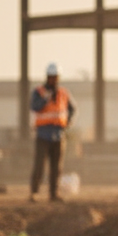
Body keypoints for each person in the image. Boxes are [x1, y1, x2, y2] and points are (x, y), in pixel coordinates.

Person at [29, 62, 76, 202]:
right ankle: (34, 192)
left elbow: (72, 109)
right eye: (51, 77)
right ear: (47, 77)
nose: (53, 80)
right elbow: (34, 107)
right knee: (39, 165)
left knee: (57, 167)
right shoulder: (39, 92)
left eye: (55, 77)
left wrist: (68, 121)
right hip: (43, 134)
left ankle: (54, 194)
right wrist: (46, 98)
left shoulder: (63, 93)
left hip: (58, 135)